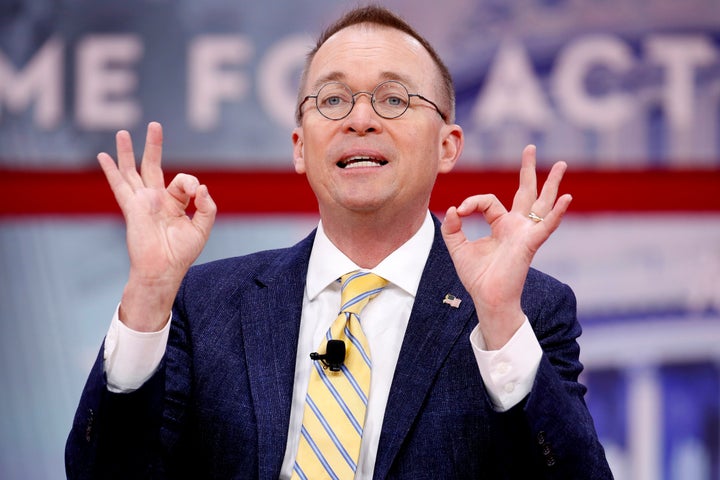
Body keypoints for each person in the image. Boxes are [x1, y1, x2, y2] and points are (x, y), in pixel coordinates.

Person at [66, 5, 612, 479]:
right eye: (332, 100)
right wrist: (147, 294)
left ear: (448, 147)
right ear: (300, 147)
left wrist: (497, 322)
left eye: (393, 99)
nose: (360, 119)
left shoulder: (529, 309)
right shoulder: (205, 302)